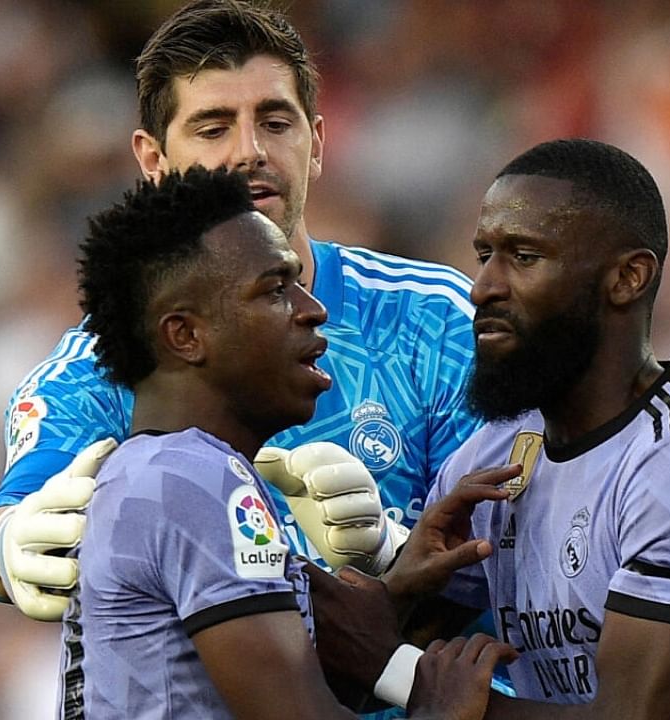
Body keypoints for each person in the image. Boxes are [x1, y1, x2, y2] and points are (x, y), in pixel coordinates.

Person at [0, 0, 479, 623]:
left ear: (316, 143)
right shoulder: (104, 364)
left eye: (275, 122)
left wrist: (389, 554)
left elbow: (511, 551)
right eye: (213, 129)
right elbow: (18, 506)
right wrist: (4, 543)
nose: (249, 152)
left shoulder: (436, 322)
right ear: (153, 162)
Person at [318, 138, 670, 719]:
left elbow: (636, 715)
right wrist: (397, 595)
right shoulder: (490, 459)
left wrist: (426, 688)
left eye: (523, 257)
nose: (483, 287)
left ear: (627, 278)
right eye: (483, 254)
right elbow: (362, 676)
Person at [66, 164, 515, 719]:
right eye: (276, 290)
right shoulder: (192, 477)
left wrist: (396, 593)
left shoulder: (159, 471)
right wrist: (439, 708)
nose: (312, 309)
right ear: (185, 335)